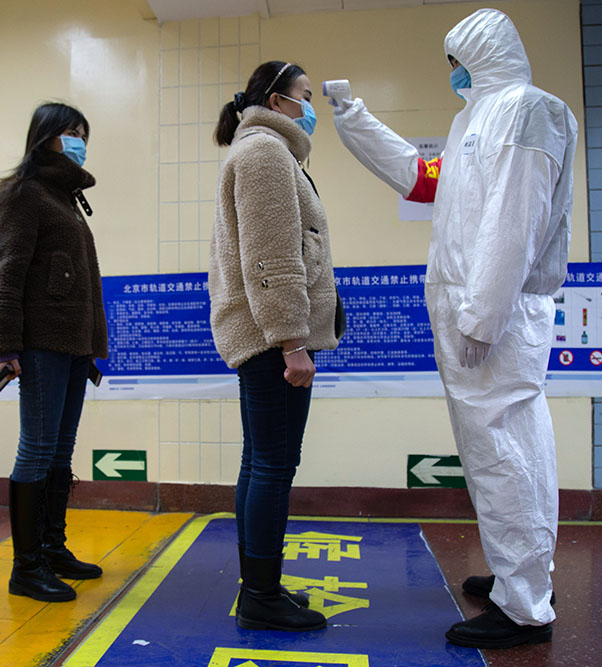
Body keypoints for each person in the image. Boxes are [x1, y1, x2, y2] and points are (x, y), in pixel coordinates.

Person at [329, 8, 577, 649]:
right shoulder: (474, 119)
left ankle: (524, 607)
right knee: (506, 448)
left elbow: (515, 220)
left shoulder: (529, 110)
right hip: (475, 309)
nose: (452, 75)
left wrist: (484, 314)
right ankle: (519, 576)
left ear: (482, 53)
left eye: (455, 60)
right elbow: (420, 178)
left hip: (491, 315)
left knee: (502, 453)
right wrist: (353, 118)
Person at [210, 61, 341, 632]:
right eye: (306, 96)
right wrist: (292, 341)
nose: (312, 107)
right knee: (272, 465)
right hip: (273, 338)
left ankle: (259, 585)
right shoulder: (265, 152)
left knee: (258, 461)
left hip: (265, 334)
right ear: (276, 98)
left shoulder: (266, 150)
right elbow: (272, 256)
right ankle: (260, 595)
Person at [0, 102, 108, 602]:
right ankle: (26, 567)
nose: (78, 141)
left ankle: (52, 549)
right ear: (45, 137)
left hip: (74, 345)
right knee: (36, 449)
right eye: (70, 132)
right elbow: (6, 271)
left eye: (83, 133)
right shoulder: (24, 194)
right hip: (39, 344)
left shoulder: (67, 198)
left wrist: (92, 345)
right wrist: (4, 343)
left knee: (60, 451)